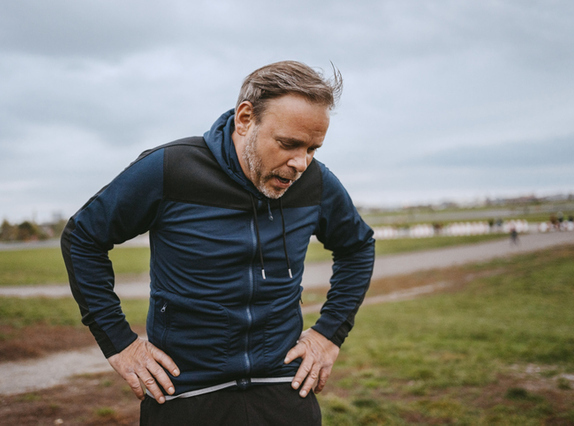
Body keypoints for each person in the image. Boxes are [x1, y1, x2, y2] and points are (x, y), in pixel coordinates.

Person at [61, 60, 375, 425]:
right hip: (186, 393)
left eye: (313, 149)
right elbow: (83, 238)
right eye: (289, 144)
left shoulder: (315, 183)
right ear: (245, 119)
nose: (301, 163)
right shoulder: (170, 170)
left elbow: (357, 246)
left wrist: (328, 335)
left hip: (283, 388)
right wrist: (119, 342)